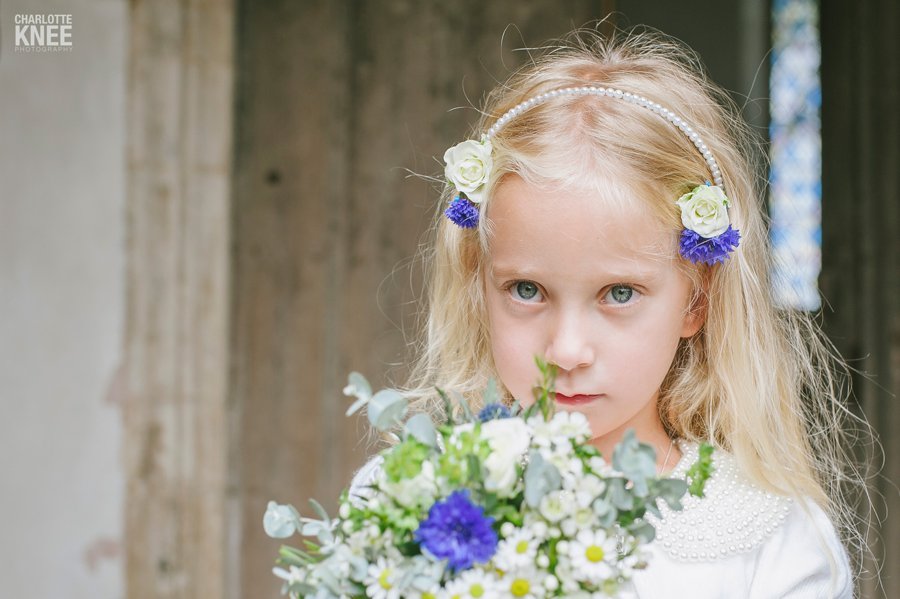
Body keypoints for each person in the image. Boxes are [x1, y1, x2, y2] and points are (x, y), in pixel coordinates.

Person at [351, 26, 865, 598]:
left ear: (696, 298)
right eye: (527, 289)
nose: (567, 350)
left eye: (618, 293)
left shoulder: (771, 543)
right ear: (480, 284)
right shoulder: (408, 497)